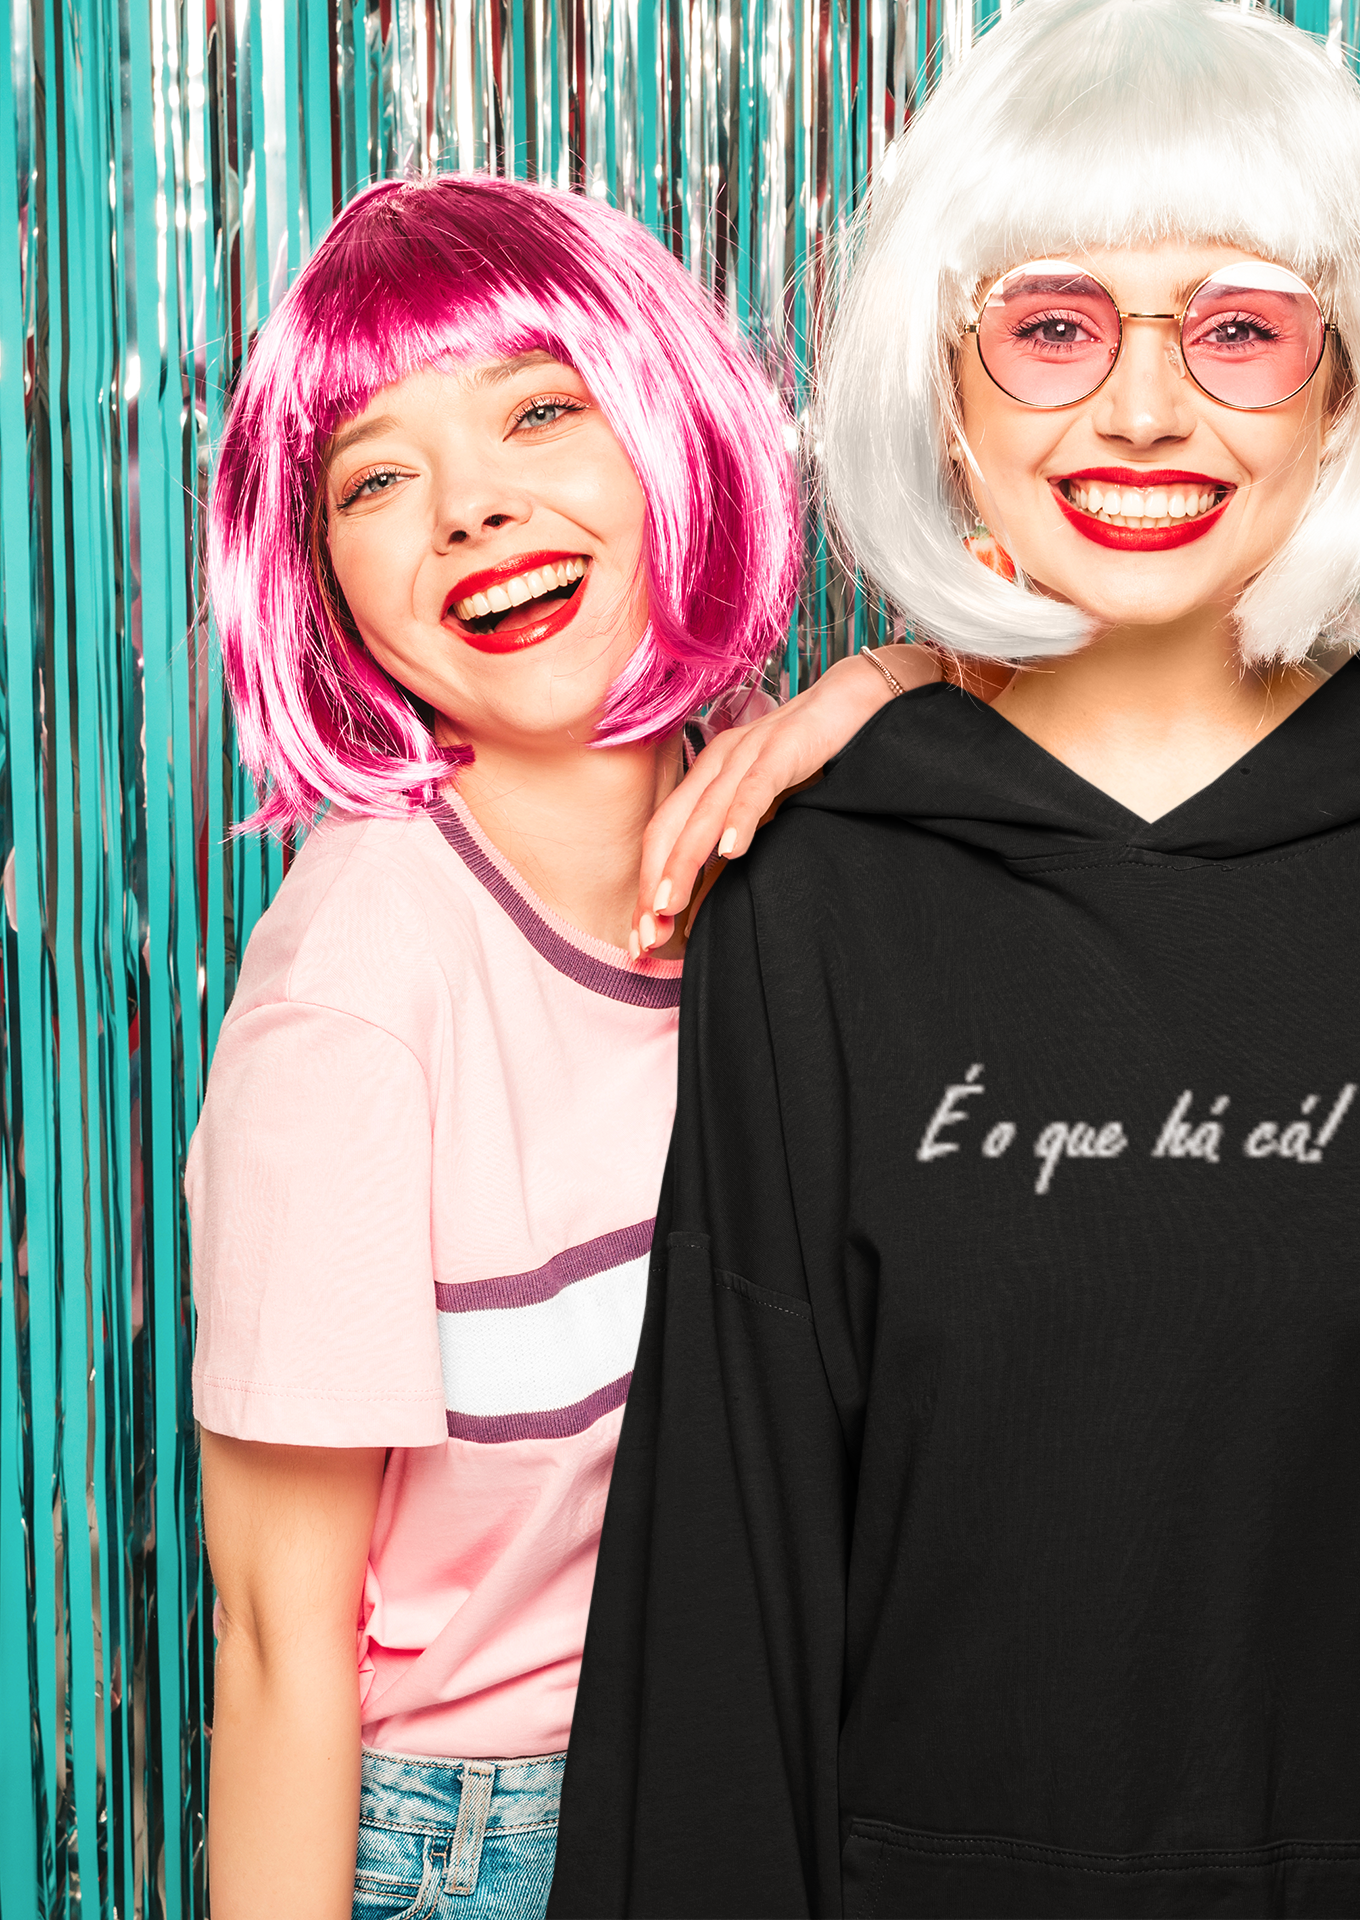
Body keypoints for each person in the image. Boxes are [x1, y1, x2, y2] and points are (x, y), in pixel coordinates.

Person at [549, 1, 1360, 1914]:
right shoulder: (822, 893)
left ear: (1342, 390)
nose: (1141, 411)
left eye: (1239, 329)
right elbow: (725, 1597)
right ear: (950, 393)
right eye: (1053, 326)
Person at [187, 173, 940, 1920]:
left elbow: (1099, 709)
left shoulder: (802, 827)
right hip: (485, 1838)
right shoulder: (352, 1004)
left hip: (781, 1774)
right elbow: (279, 1643)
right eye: (376, 478)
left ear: (671, 430)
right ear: (324, 584)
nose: (471, 508)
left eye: (537, 411)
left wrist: (896, 685)